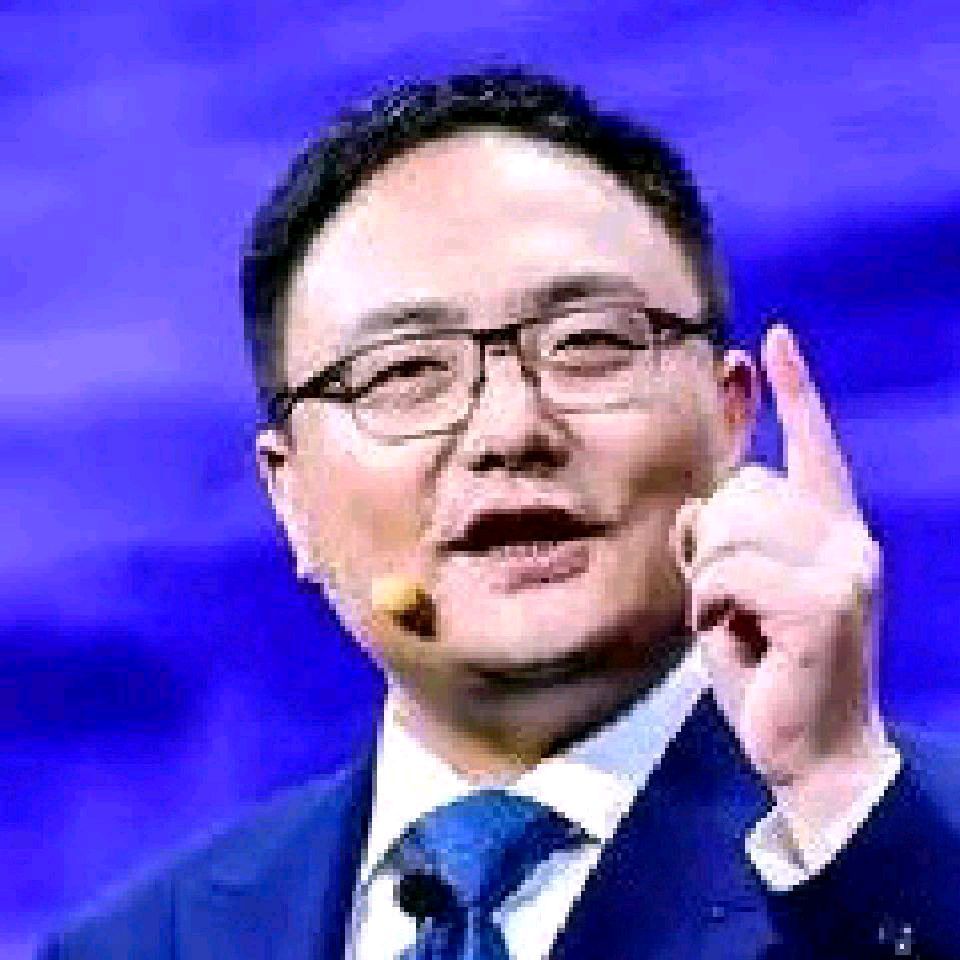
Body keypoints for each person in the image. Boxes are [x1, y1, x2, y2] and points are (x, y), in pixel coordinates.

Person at [37, 68, 960, 960]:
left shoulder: (902, 856)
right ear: (291, 497)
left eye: (587, 344)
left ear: (731, 422)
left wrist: (837, 802)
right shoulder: (142, 946)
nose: (511, 430)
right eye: (405, 372)